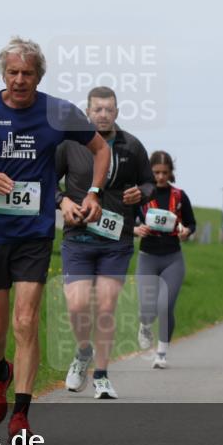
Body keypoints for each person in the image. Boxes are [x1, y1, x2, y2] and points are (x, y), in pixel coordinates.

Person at [0, 36, 110, 440]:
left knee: (26, 321)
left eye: (28, 73)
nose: (20, 80)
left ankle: (21, 414)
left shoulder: (57, 111)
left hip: (34, 233)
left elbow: (100, 149)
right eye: (13, 72)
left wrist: (93, 192)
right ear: (4, 73)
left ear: (39, 76)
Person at [56, 86, 155, 400]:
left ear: (116, 112)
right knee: (77, 304)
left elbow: (149, 182)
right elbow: (47, 181)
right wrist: (62, 202)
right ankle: (83, 351)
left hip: (117, 239)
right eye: (97, 109)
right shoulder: (70, 144)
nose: (102, 114)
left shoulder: (132, 146)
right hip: (78, 237)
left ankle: (101, 375)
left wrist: (141, 193)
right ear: (87, 112)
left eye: (108, 109)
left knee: (107, 306)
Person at [135, 151, 197, 369]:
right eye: (156, 172)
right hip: (147, 257)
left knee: (165, 305)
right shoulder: (140, 194)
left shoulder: (179, 196)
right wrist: (136, 229)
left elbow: (191, 223)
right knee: (146, 307)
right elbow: (129, 221)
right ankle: (144, 325)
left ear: (171, 173)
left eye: (164, 173)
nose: (160, 177)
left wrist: (186, 232)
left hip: (172, 258)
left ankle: (161, 352)